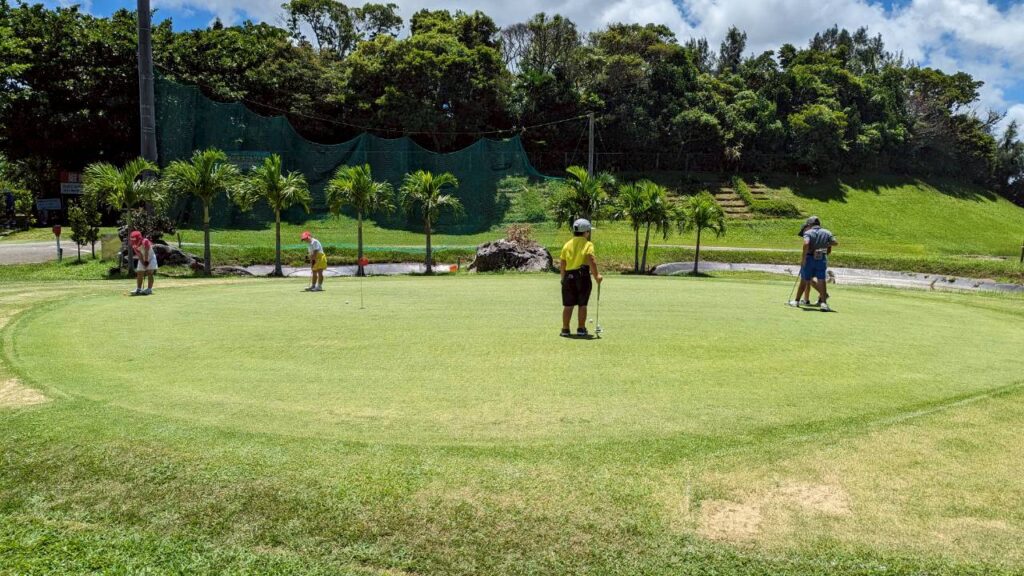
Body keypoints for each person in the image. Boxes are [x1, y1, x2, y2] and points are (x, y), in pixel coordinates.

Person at [559, 218, 603, 337]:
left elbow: (562, 263)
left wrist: (563, 278)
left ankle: (565, 329)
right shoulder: (588, 244)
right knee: (582, 304)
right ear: (586, 232)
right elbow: (591, 260)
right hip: (582, 276)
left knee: (568, 305)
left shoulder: (567, 244)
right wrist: (597, 276)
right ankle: (581, 328)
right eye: (589, 231)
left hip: (568, 276)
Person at [792, 216, 838, 312]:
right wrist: (825, 245)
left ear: (809, 224)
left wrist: (803, 258)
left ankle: (796, 301)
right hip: (821, 258)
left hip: (809, 258)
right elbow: (835, 242)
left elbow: (806, 244)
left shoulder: (808, 233)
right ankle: (824, 304)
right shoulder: (827, 232)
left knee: (804, 280)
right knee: (821, 280)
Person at [130, 231, 157, 296]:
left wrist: (146, 261)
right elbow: (139, 255)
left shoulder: (145, 241)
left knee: (149, 272)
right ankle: (138, 289)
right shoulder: (133, 244)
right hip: (142, 258)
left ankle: (149, 289)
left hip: (151, 258)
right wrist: (143, 263)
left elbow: (146, 252)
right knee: (139, 272)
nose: (134, 241)